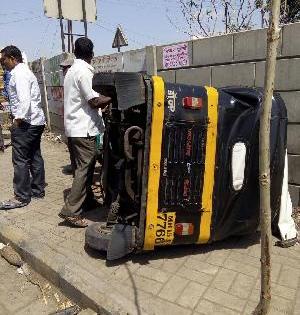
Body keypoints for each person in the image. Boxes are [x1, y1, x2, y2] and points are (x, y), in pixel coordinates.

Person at [58, 37, 111, 227]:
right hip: (84, 130)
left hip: (73, 128)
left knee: (83, 168)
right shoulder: (84, 72)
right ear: (92, 54)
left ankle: (87, 200)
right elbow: (93, 101)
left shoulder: (71, 70)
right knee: (84, 169)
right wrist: (112, 96)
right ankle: (71, 211)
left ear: (75, 52)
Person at [0, 45, 46, 210]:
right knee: (34, 155)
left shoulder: (19, 74)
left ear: (13, 58)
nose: (2, 64)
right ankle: (38, 190)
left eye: (3, 60)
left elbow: (24, 100)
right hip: (36, 121)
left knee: (20, 160)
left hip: (26, 122)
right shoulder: (24, 72)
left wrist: (16, 122)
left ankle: (21, 196)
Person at [59, 54, 76, 176]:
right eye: (63, 68)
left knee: (76, 148)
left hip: (77, 122)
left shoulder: (76, 79)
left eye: (66, 68)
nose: (64, 71)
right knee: (71, 146)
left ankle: (77, 168)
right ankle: (74, 165)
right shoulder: (67, 81)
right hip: (70, 120)